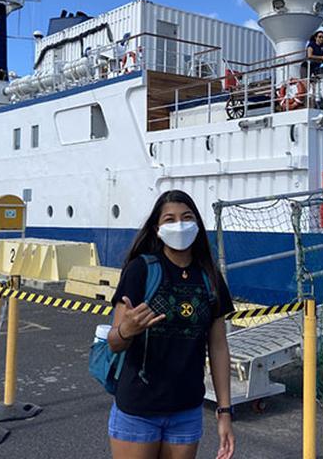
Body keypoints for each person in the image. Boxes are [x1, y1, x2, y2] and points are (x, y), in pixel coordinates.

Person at [107, 190, 236, 458]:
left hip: (186, 410)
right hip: (138, 409)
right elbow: (114, 342)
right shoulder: (140, 270)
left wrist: (224, 411)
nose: (179, 224)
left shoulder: (210, 277)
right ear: (157, 229)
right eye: (170, 219)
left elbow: (219, 347)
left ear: (198, 226)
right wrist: (127, 330)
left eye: (186, 217)